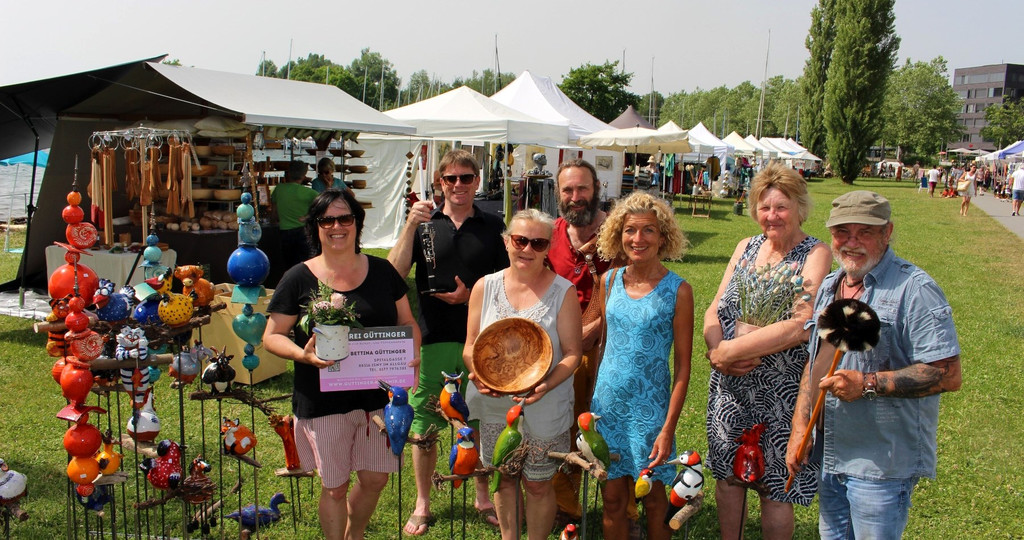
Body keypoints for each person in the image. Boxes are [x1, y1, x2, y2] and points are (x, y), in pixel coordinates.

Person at [786, 190, 962, 539]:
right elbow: (815, 362)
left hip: (880, 461)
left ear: (887, 232)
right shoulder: (831, 285)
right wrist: (800, 426)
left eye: (864, 231)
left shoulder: (915, 289)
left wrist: (867, 383)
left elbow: (947, 374)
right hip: (830, 453)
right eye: (842, 232)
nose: (851, 243)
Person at [263, 188, 421, 540]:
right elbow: (272, 336)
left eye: (345, 217)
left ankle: (355, 534)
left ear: (357, 223)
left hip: (377, 400)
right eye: (327, 219)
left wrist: (414, 352)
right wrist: (303, 355)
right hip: (323, 399)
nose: (337, 226)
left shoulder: (382, 272)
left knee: (376, 478)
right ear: (316, 228)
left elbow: (407, 323)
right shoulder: (298, 277)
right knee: (334, 487)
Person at [704, 163, 832, 539]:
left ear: (800, 208)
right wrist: (718, 351)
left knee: (775, 490)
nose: (771, 216)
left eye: (781, 207)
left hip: (782, 390)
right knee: (729, 479)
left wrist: (730, 351)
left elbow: (801, 323)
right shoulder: (746, 247)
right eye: (764, 207)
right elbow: (715, 308)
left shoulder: (815, 253)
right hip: (730, 388)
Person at [387, 149, 509, 535]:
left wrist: (471, 294)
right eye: (450, 179)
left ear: (478, 181)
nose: (458, 185)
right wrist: (409, 227)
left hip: (482, 336)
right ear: (439, 182)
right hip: (433, 334)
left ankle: (482, 494)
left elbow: (511, 280)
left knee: (480, 416)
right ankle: (422, 502)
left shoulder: (493, 225)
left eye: (466, 178)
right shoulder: (423, 223)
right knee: (424, 417)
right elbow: (393, 274)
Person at [464, 209, 583, 540]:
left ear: (548, 246)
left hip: (547, 401)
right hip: (494, 402)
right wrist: (481, 376)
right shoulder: (484, 287)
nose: (527, 249)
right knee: (506, 475)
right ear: (506, 242)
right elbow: (470, 346)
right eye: (520, 240)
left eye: (538, 242)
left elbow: (573, 353)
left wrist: (546, 385)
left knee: (539, 483)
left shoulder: (563, 291)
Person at [590, 191, 693, 540]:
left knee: (654, 502)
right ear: (618, 235)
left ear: (663, 237)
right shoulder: (608, 281)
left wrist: (667, 428)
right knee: (613, 500)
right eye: (630, 230)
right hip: (608, 409)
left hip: (651, 414)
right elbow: (603, 344)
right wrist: (591, 406)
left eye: (648, 230)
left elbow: (682, 369)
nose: (638, 239)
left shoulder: (678, 291)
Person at [545, 159, 623, 528]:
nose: (576, 197)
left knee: (607, 424)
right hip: (560, 349)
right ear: (559, 194)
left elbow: (633, 289)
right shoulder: (551, 233)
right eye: (568, 190)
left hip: (609, 347)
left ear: (596, 189)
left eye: (583, 189)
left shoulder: (620, 233)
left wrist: (593, 329)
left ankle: (624, 508)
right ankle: (567, 506)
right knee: (562, 424)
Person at [271, 161, 318, 270]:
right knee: (305, 264)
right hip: (303, 232)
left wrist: (274, 221)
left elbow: (273, 213)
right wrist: (308, 217)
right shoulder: (310, 193)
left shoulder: (279, 189)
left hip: (284, 232)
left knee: (288, 265)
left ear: (289, 173)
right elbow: (325, 206)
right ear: (304, 175)